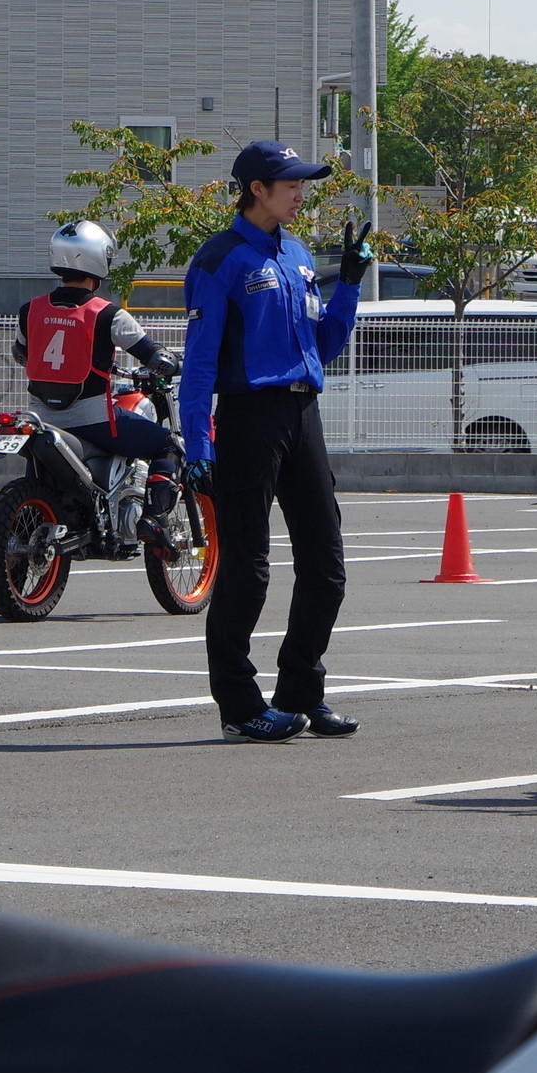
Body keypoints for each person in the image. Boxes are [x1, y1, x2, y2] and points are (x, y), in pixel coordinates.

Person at [180, 142, 369, 742]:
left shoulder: (297, 253)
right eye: (291, 183)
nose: (301, 192)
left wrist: (351, 282)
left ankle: (300, 693)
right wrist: (197, 445)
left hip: (301, 413)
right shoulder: (219, 259)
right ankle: (240, 705)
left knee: (327, 565)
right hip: (248, 418)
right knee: (248, 570)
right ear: (257, 187)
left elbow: (325, 347)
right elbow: (200, 365)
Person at [13, 220, 183, 525]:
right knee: (169, 445)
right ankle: (155, 520)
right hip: (94, 421)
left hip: (40, 417)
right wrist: (172, 363)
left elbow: (20, 353)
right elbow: (155, 355)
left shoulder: (30, 309)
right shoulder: (108, 314)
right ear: (98, 258)